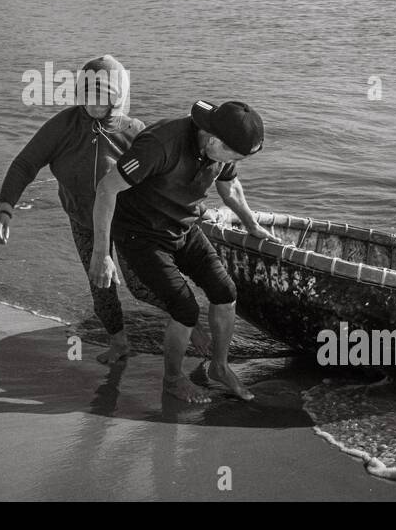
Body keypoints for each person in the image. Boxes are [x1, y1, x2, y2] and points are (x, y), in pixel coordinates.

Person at [0, 55, 196, 363]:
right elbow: (26, 163)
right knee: (100, 283)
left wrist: (187, 214)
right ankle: (118, 342)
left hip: (129, 223)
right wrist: (5, 208)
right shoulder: (64, 126)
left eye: (101, 95)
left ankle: (190, 321)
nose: (91, 101)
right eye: (86, 93)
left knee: (141, 286)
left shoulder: (135, 132)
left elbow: (164, 180)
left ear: (117, 97)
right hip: (84, 220)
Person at [89, 100, 274, 403]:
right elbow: (107, 189)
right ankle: (173, 381)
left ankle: (219, 367)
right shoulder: (160, 144)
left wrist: (252, 225)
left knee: (225, 291)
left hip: (182, 225)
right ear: (214, 140)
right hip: (141, 233)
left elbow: (231, 188)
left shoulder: (223, 145)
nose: (234, 163)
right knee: (185, 309)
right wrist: (101, 254)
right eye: (235, 156)